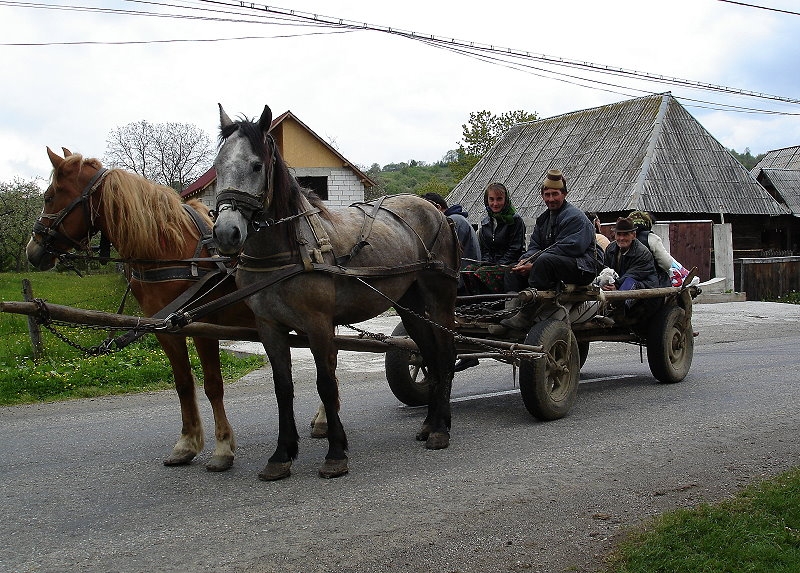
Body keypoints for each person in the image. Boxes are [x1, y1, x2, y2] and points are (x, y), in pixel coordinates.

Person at [497, 169, 600, 333]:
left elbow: (571, 247)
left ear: (564, 194)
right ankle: (510, 311)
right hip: (552, 264)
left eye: (555, 194)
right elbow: (535, 247)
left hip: (583, 266)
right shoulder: (543, 219)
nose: (550, 199)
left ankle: (527, 315)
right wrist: (525, 261)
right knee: (512, 268)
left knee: (544, 261)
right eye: (547, 195)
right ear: (542, 196)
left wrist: (535, 264)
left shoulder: (575, 217)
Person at [460, 182, 526, 295]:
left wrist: (498, 264)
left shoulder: (515, 220)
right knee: (467, 271)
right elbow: (485, 250)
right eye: (491, 199)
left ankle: (492, 303)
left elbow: (515, 249)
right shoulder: (486, 222)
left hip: (510, 263)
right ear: (487, 200)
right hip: (492, 263)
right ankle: (475, 303)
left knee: (482, 273)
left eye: (499, 199)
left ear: (506, 200)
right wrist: (487, 263)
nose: (495, 203)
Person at [601, 217, 661, 317]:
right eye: (619, 234)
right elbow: (606, 269)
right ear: (614, 235)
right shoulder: (611, 249)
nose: (621, 238)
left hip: (644, 284)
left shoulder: (642, 253)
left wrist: (616, 286)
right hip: (619, 282)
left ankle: (618, 316)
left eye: (625, 234)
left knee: (629, 283)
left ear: (633, 235)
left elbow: (633, 275)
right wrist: (605, 282)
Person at [423, 192, 481, 292]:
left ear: (438, 207)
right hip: (461, 274)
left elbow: (445, 252)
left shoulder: (454, 221)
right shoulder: (455, 219)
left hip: (464, 278)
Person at [628, 210, 690, 287]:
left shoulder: (623, 240)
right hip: (651, 284)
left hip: (627, 282)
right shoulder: (651, 238)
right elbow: (667, 263)